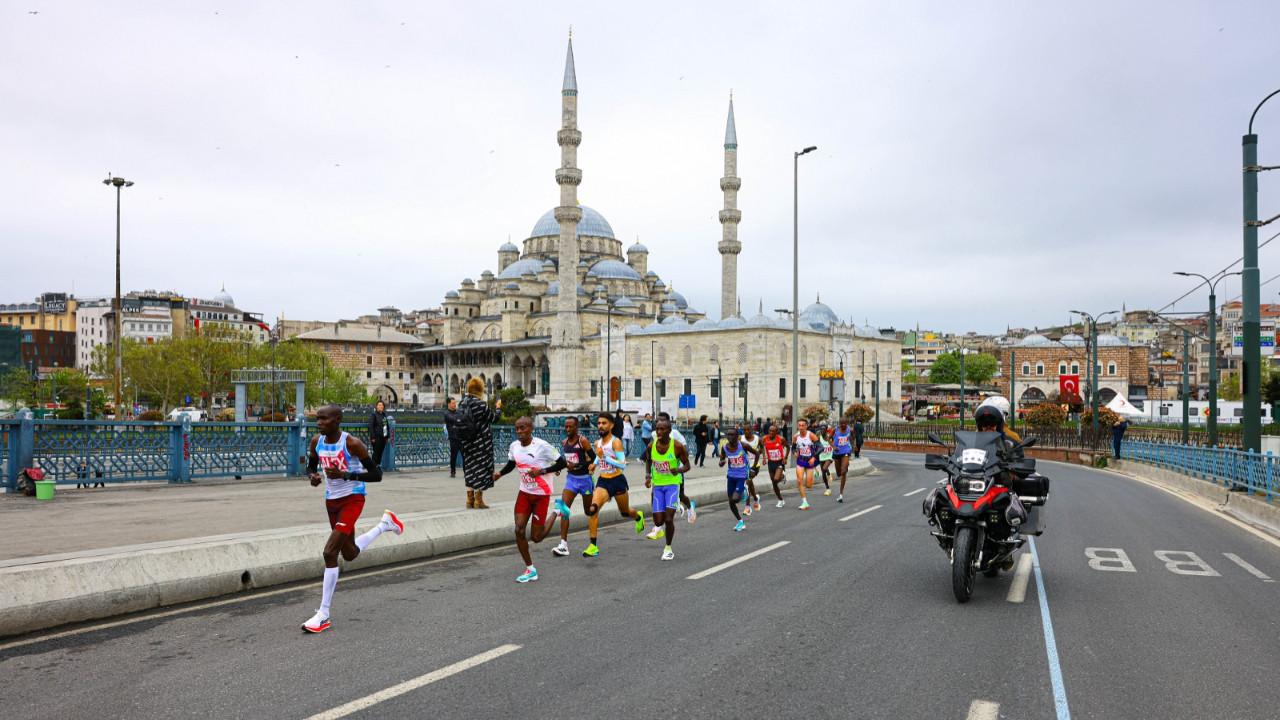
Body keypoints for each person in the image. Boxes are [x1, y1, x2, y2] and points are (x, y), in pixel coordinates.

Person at [301, 404, 403, 633]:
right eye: (317, 419)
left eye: (324, 419)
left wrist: (347, 475)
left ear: (337, 420)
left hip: (353, 499)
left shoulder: (352, 444)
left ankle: (323, 614)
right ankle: (386, 524)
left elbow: (377, 475)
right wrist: (313, 476)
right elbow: (310, 466)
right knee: (349, 554)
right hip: (332, 501)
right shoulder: (316, 441)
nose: (319, 423)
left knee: (329, 552)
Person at [493, 417, 570, 583]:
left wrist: (542, 471)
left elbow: (562, 463)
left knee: (537, 538)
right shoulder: (514, 446)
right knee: (519, 530)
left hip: (541, 494)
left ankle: (558, 510)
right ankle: (530, 569)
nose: (519, 432)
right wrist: (500, 473)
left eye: (523, 428)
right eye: (517, 428)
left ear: (531, 429)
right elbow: (511, 464)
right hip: (524, 493)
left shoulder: (542, 446)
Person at [581, 412, 645, 557]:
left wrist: (604, 457)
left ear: (611, 425)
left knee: (624, 512)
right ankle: (593, 546)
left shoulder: (616, 442)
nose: (601, 426)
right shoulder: (598, 443)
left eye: (604, 423)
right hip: (603, 481)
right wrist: (594, 464)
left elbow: (622, 465)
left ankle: (638, 517)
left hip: (617, 480)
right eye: (599, 423)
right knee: (593, 510)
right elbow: (599, 458)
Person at [645, 418, 690, 560]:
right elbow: (648, 461)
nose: (658, 432)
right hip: (657, 485)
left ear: (670, 431)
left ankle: (668, 549)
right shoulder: (651, 446)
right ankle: (676, 508)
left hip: (672, 484)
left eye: (662, 429)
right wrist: (648, 476)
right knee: (658, 521)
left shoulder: (677, 446)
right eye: (657, 429)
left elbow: (687, 464)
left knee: (668, 519)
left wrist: (680, 469)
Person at [551, 416, 596, 557]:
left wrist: (576, 465)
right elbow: (567, 460)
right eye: (566, 427)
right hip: (571, 480)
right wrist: (560, 467)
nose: (568, 429)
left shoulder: (583, 441)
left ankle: (593, 541)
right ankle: (563, 545)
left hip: (585, 480)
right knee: (564, 509)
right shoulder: (564, 442)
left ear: (577, 427)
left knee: (589, 512)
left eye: (571, 427)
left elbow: (594, 459)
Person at [458, 378, 502, 509]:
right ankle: (478, 500)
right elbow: (494, 418)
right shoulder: (481, 405)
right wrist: (498, 408)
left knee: (470, 470)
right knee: (481, 470)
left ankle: (469, 500)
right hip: (481, 443)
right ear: (480, 389)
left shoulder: (462, 403)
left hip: (466, 442)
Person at [656, 411, 696, 522]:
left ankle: (690, 507)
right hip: (660, 473)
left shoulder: (674, 433)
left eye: (662, 420)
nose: (659, 423)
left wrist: (680, 462)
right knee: (656, 494)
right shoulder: (655, 434)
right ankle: (673, 510)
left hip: (675, 471)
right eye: (657, 421)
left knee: (681, 495)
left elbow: (684, 449)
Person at [719, 427, 758, 531]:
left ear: (737, 437)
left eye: (732, 435)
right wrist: (721, 462)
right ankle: (740, 521)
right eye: (728, 435)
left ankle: (745, 491)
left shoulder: (743, 445)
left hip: (742, 475)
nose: (730, 437)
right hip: (731, 476)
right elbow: (721, 459)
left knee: (736, 499)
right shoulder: (725, 447)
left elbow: (757, 453)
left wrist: (753, 468)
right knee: (731, 501)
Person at [791, 419, 820, 510]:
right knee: (799, 481)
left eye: (803, 425)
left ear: (806, 426)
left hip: (810, 461)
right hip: (800, 460)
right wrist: (794, 453)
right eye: (799, 425)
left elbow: (821, 447)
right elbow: (793, 448)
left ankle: (814, 469)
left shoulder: (811, 435)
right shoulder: (796, 436)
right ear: (797, 426)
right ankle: (805, 502)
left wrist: (813, 458)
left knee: (808, 485)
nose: (801, 427)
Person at [761, 424, 790, 507]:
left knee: (776, 479)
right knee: (774, 482)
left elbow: (788, 447)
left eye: (773, 431)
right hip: (771, 462)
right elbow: (761, 447)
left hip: (779, 462)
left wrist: (785, 458)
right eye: (770, 431)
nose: (770, 432)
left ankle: (782, 476)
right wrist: (764, 458)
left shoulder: (781, 439)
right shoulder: (764, 439)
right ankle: (780, 500)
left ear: (776, 432)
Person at [740, 423, 764, 514]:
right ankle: (755, 499)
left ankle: (747, 507)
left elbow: (762, 447)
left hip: (754, 465)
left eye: (748, 430)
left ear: (751, 429)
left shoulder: (757, 438)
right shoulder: (740, 439)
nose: (746, 432)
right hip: (744, 466)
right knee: (750, 484)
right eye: (744, 430)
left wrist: (764, 458)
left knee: (747, 483)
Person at [831, 416, 855, 502]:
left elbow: (854, 438)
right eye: (842, 423)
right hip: (837, 453)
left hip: (846, 451)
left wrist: (854, 445)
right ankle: (842, 470)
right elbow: (828, 439)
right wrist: (834, 447)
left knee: (843, 471)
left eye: (845, 423)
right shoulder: (835, 429)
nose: (843, 425)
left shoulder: (850, 430)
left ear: (847, 423)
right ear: (840, 423)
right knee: (838, 474)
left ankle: (841, 494)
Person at [444, 396, 463, 480]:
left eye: (455, 403)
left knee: (465, 455)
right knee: (453, 455)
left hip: (461, 437)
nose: (455, 404)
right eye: (453, 403)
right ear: (449, 404)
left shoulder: (457, 412)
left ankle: (466, 471)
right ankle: (453, 471)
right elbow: (453, 419)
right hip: (453, 437)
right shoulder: (447, 413)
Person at [368, 400, 389, 467]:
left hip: (383, 437)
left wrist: (388, 436)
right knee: (376, 452)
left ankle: (378, 466)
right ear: (377, 406)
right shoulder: (373, 414)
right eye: (379, 405)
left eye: (382, 405)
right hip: (376, 437)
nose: (381, 406)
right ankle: (373, 467)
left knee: (380, 452)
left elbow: (386, 426)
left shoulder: (384, 415)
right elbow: (370, 426)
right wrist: (372, 437)